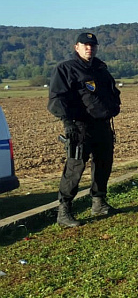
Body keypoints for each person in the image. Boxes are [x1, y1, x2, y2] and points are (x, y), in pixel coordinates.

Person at [47, 32, 122, 228]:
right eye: (85, 44)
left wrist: (114, 107)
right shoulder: (66, 69)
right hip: (79, 127)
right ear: (76, 47)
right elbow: (57, 99)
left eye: (93, 45)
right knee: (75, 167)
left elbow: (114, 91)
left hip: (102, 125)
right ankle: (64, 210)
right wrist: (68, 122)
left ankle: (99, 202)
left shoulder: (100, 68)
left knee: (103, 163)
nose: (90, 48)